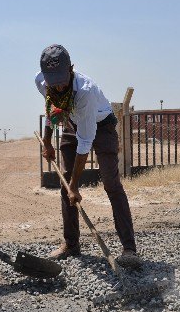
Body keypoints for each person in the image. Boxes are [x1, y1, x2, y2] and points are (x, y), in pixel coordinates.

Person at [36, 44, 141, 270]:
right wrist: (46, 142)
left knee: (111, 184)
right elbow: (52, 109)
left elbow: (85, 141)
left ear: (71, 69)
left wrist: (76, 185)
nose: (59, 86)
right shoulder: (42, 82)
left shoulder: (85, 91)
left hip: (100, 126)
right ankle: (71, 244)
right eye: (53, 82)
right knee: (65, 187)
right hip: (72, 122)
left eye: (62, 80)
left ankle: (129, 249)